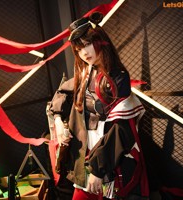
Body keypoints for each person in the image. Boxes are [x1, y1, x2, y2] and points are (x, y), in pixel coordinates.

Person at [49, 11, 149, 200]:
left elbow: (122, 131)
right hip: (85, 155)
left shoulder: (118, 78)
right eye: (79, 49)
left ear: (100, 40)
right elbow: (62, 92)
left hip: (109, 159)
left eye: (87, 45)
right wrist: (58, 121)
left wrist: (98, 169)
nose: (84, 52)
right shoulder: (86, 72)